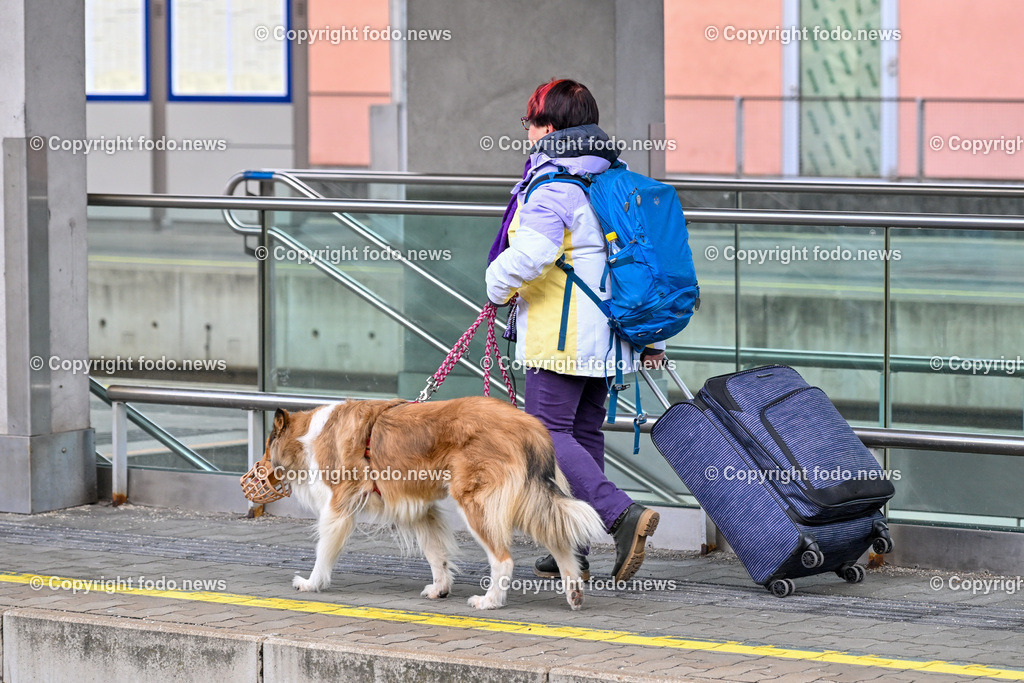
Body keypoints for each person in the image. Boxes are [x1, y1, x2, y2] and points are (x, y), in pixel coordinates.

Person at [485, 79, 664, 583]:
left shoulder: (553, 186)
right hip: (611, 336)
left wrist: (495, 285)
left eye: (530, 122)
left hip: (562, 338)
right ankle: (572, 544)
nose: (526, 132)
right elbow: (644, 265)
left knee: (543, 433)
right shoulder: (615, 179)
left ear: (549, 127)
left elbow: (532, 255)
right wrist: (652, 338)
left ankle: (620, 516)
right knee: (582, 435)